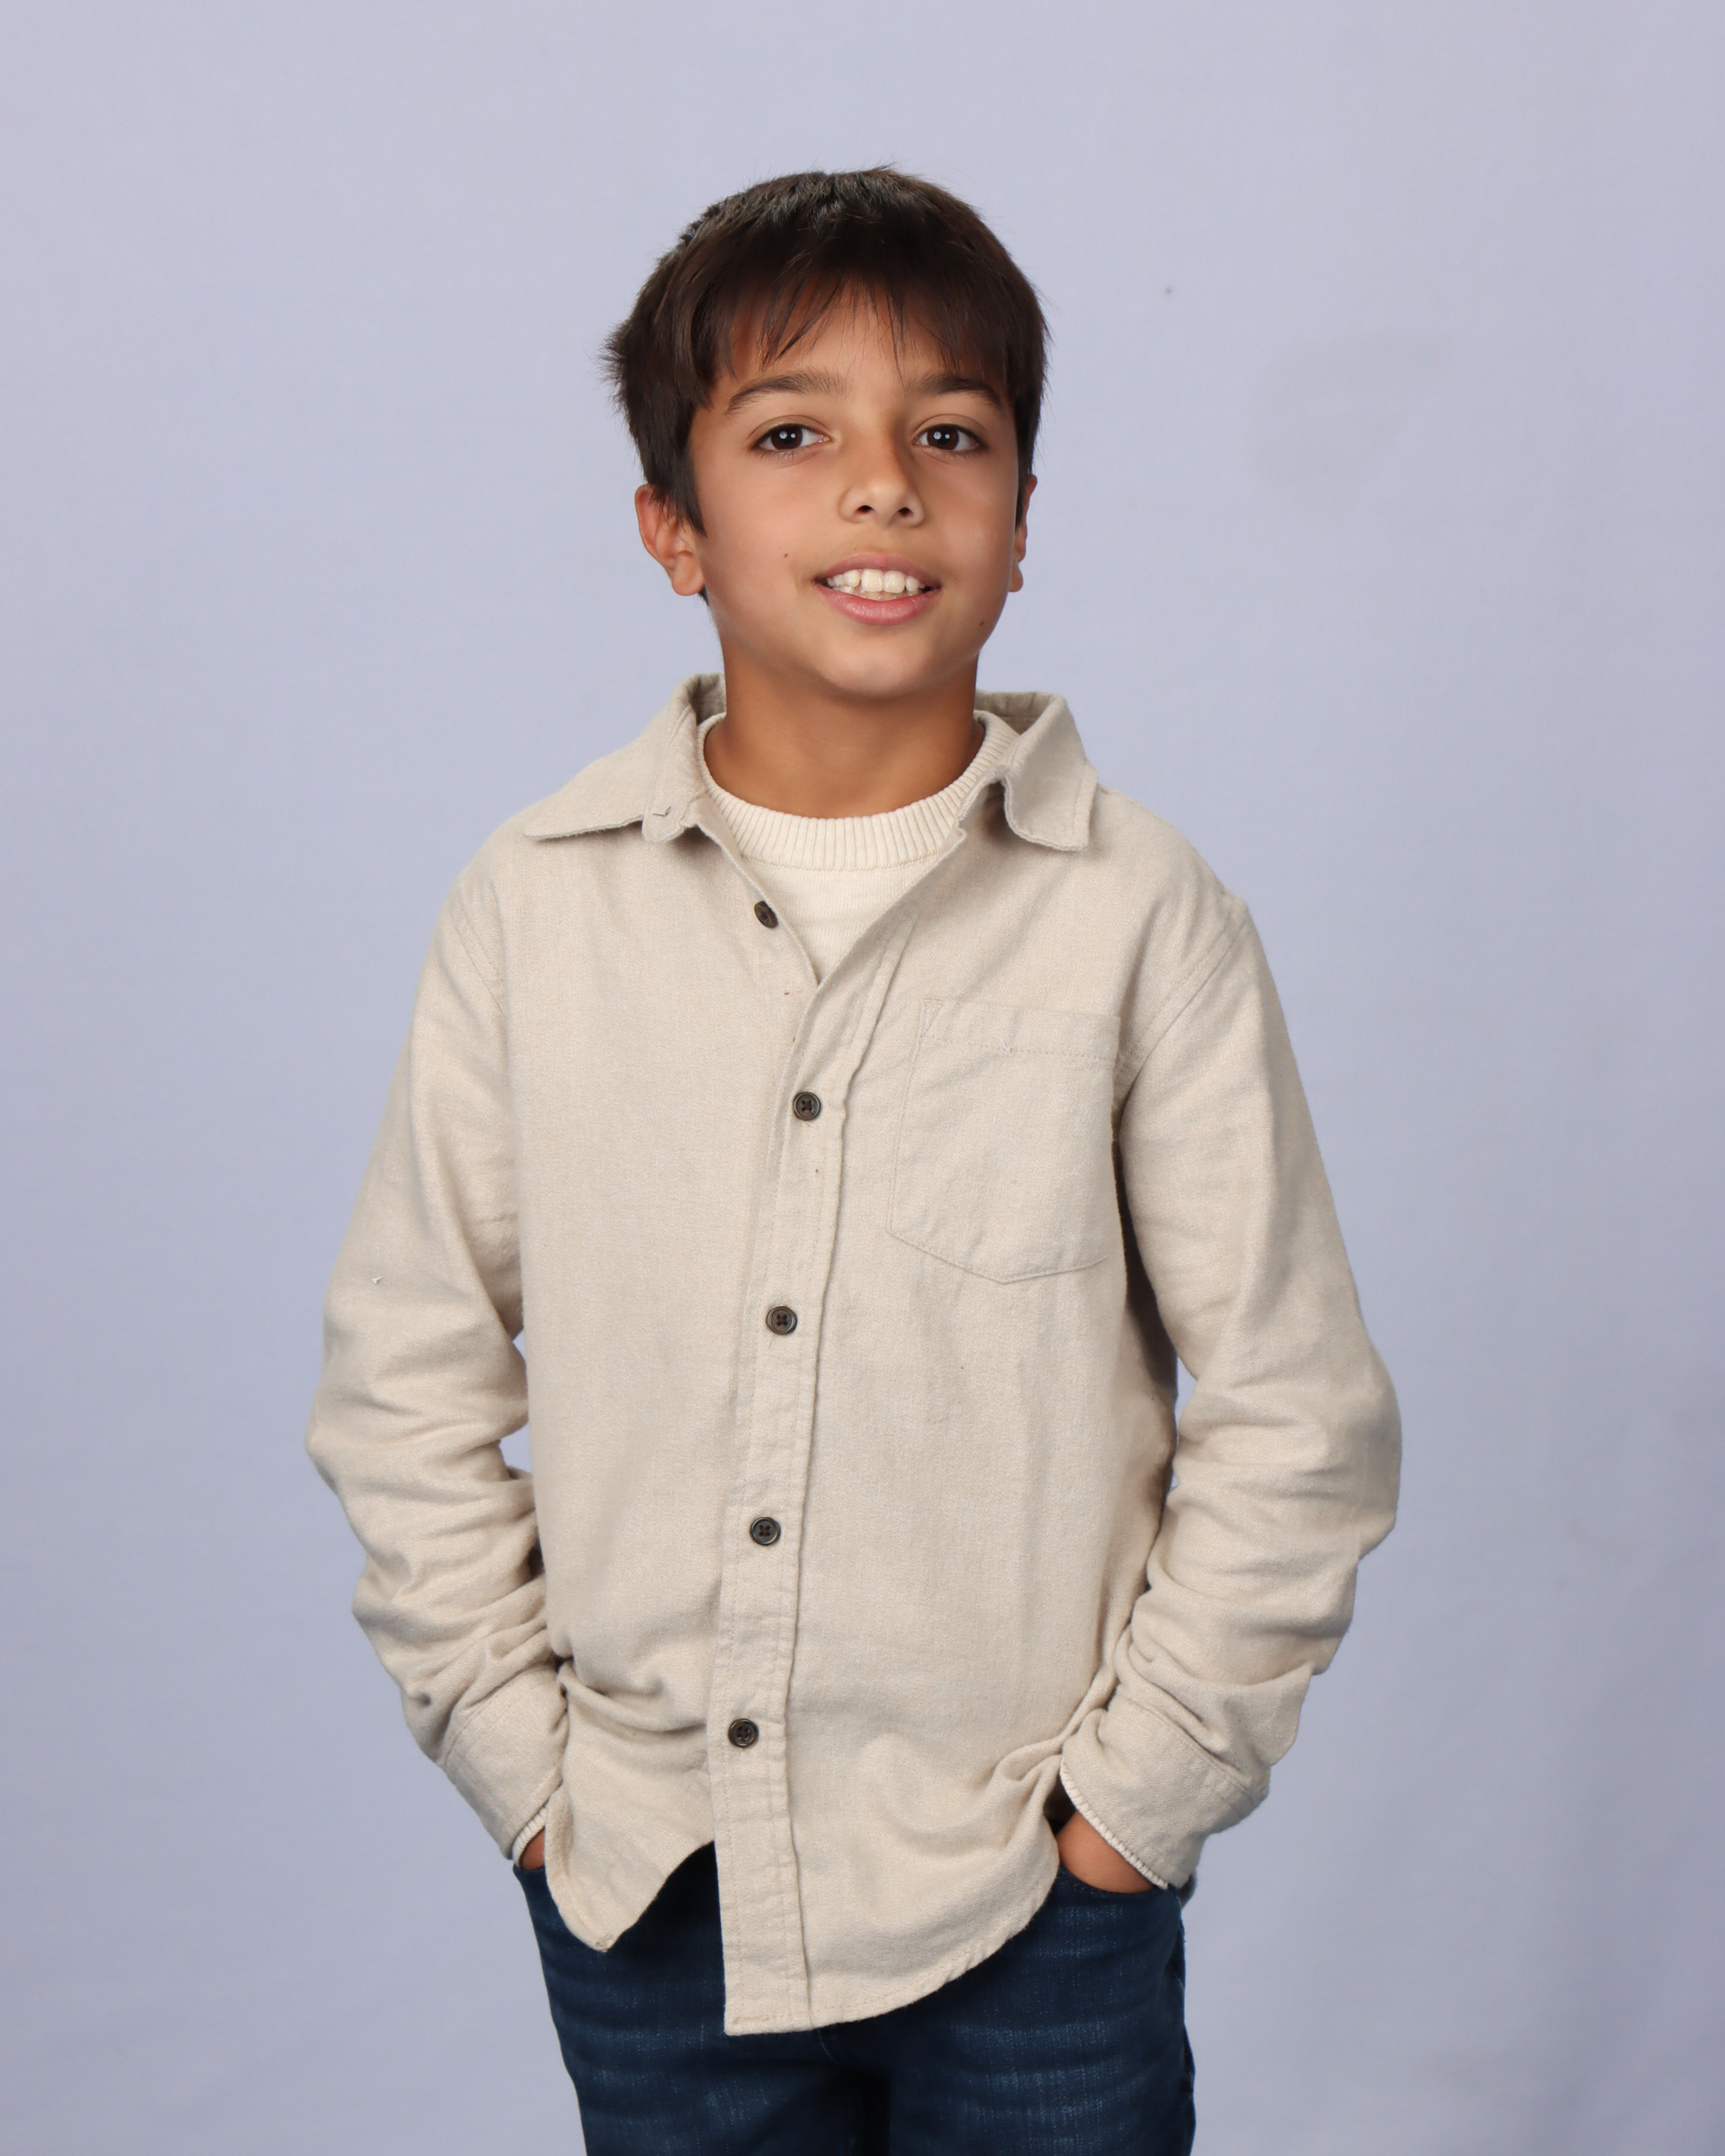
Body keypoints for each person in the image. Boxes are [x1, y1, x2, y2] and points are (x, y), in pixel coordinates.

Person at [306, 167, 1400, 2154]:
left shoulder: (1142, 917)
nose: (884, 487)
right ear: (673, 526)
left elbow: (1297, 1414)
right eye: (793, 435)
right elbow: (405, 1380)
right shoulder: (535, 908)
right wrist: (526, 1769)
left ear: (1021, 521)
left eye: (949, 436)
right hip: (648, 1877)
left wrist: (1128, 1814)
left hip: (1028, 1891)